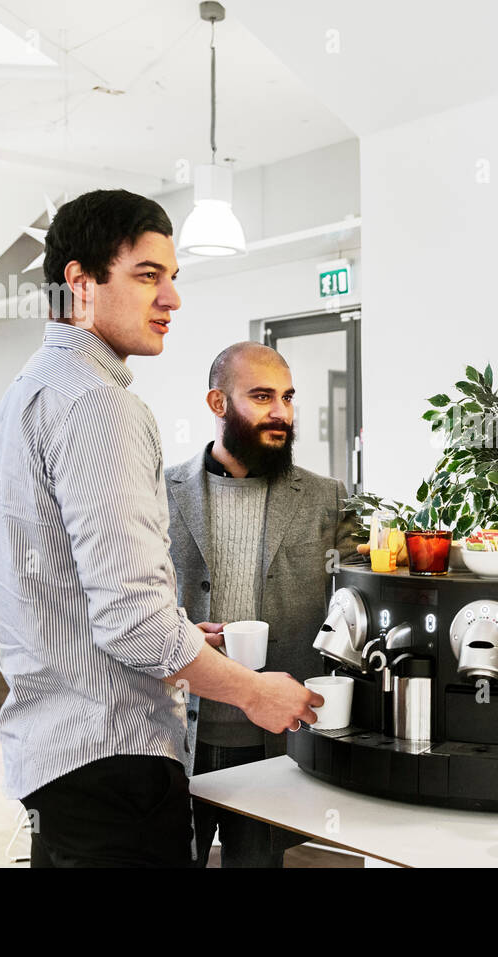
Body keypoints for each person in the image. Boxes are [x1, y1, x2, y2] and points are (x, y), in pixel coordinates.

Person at [0, 189, 324, 868]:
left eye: (174, 278)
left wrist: (174, 631)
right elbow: (134, 623)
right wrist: (256, 691)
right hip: (116, 763)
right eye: (148, 275)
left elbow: (62, 586)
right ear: (81, 285)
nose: (172, 298)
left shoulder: (28, 391)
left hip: (53, 761)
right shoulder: (102, 406)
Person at [166, 341, 362, 867]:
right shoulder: (159, 490)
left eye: (288, 397)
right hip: (176, 733)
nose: (281, 412)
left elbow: (356, 599)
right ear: (218, 403)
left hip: (277, 735)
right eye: (261, 396)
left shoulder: (327, 497)